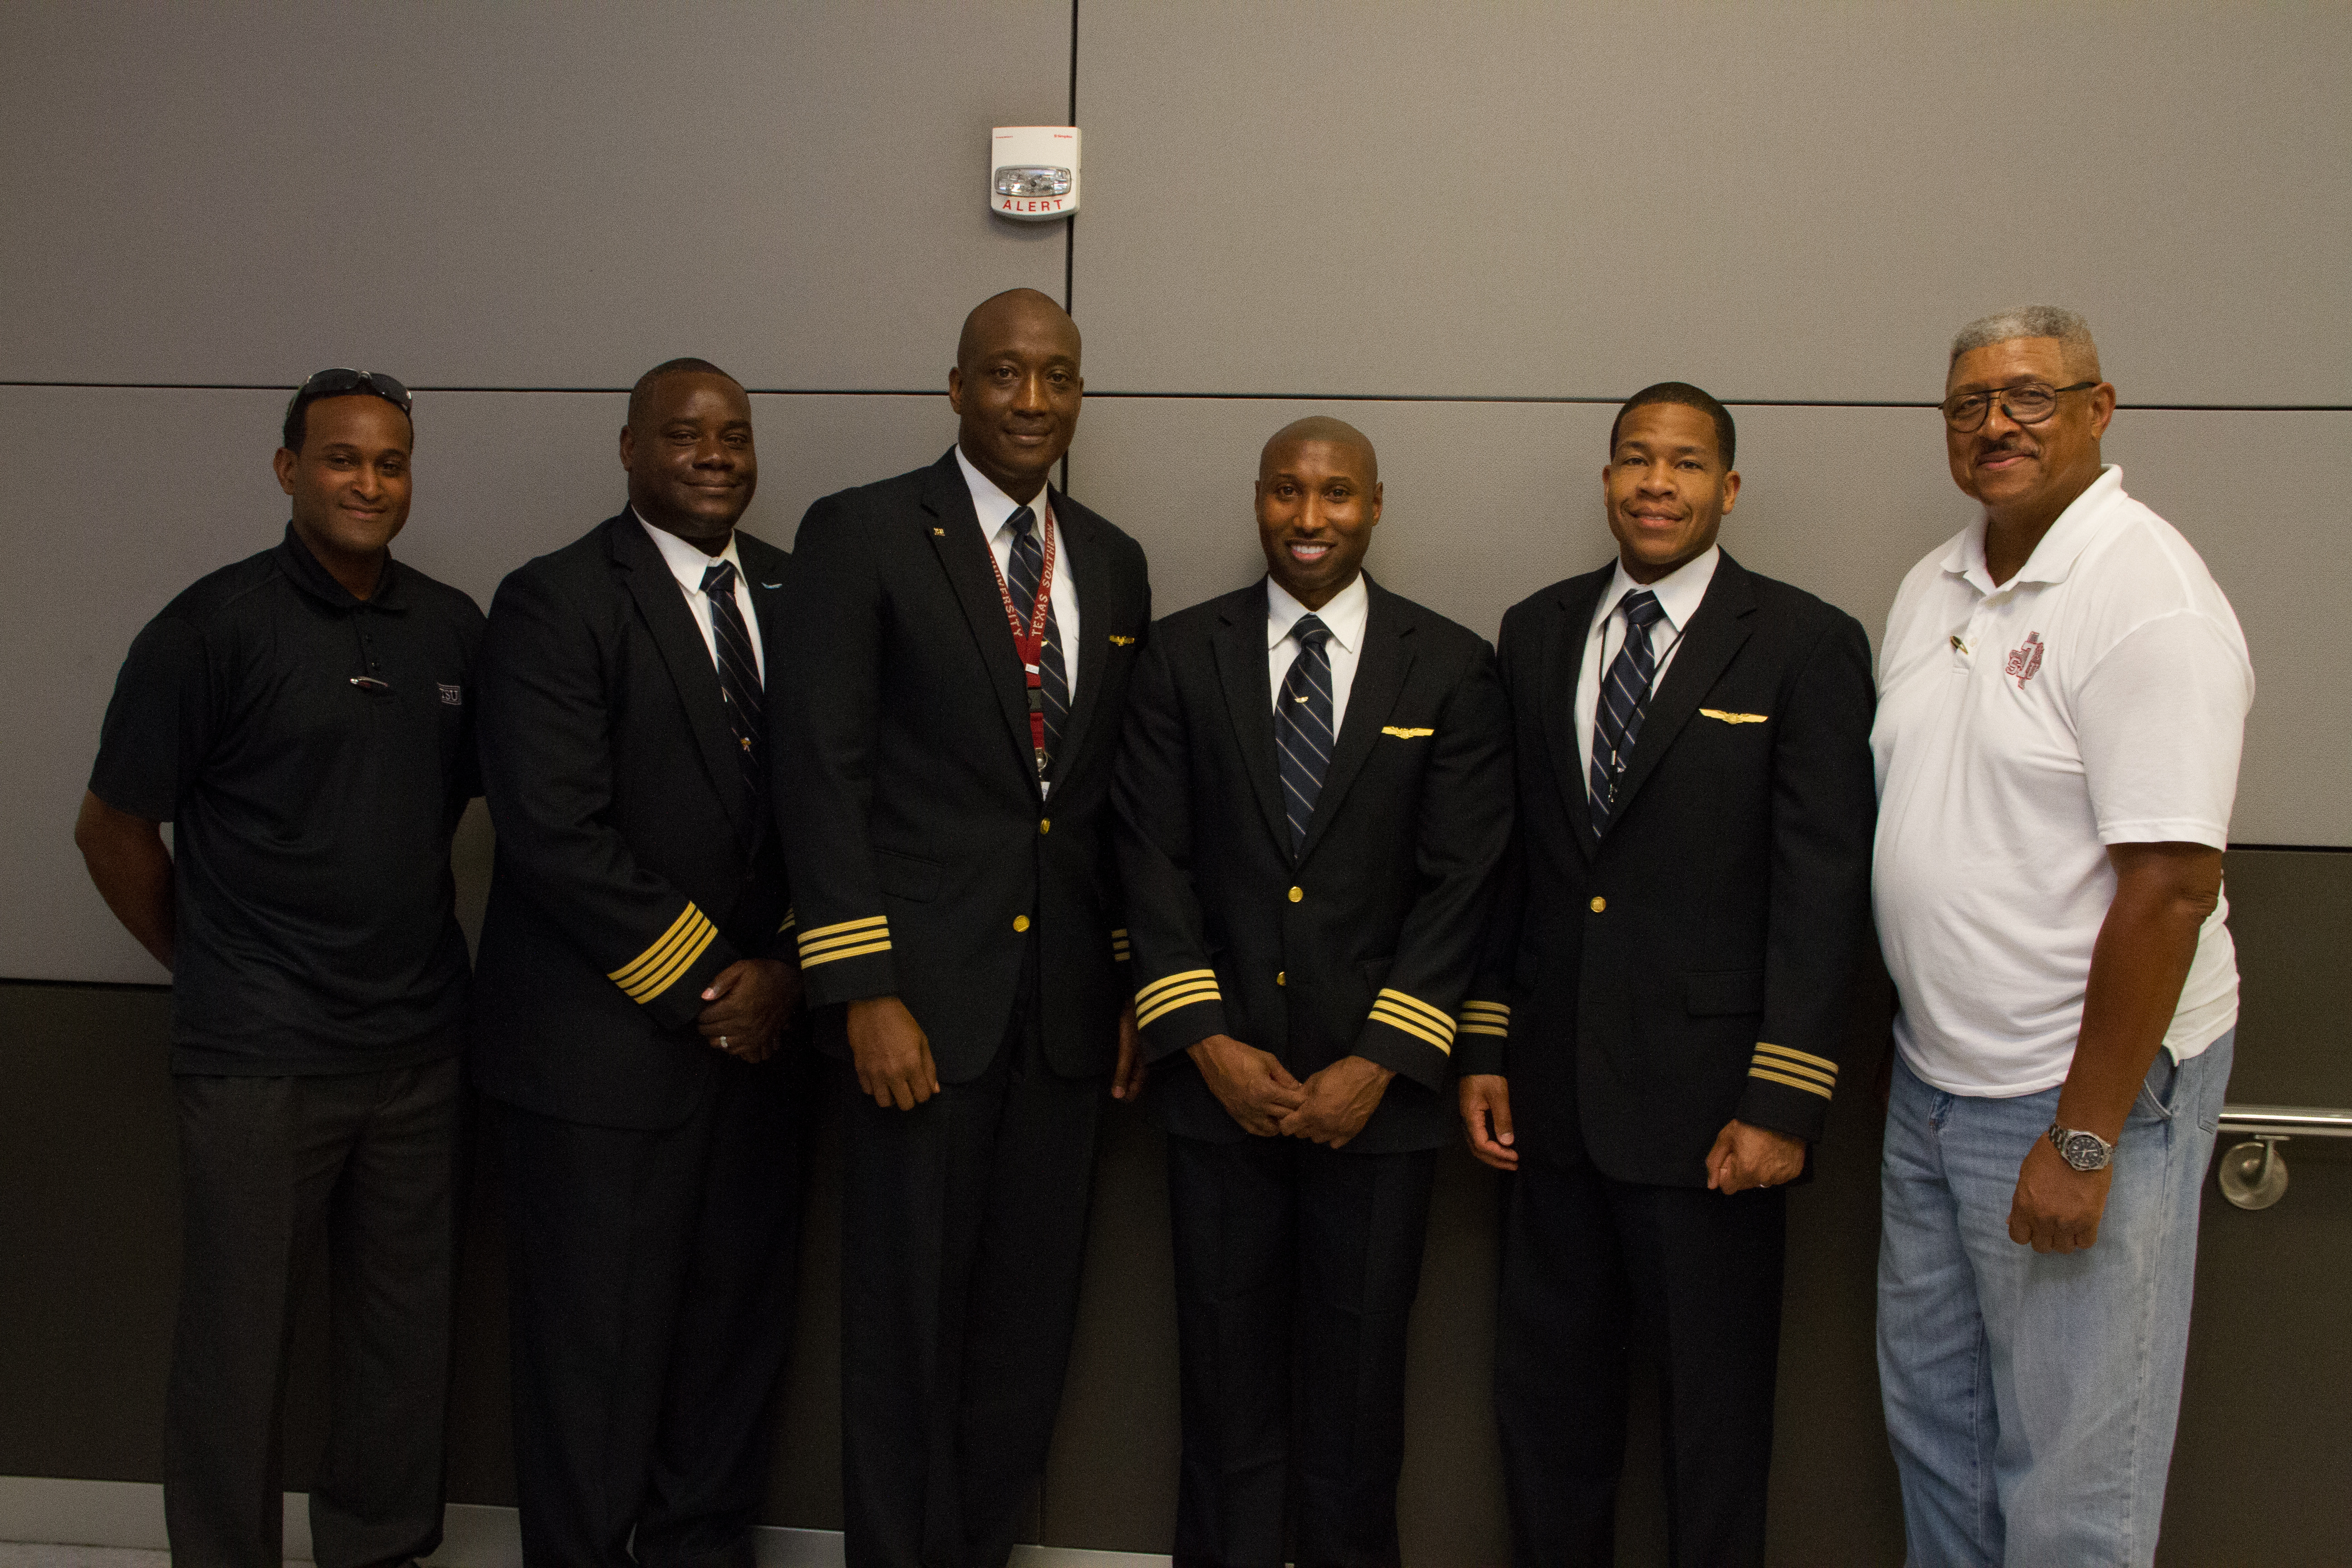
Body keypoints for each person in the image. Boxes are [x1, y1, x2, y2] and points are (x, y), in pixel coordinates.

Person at [1457, 383, 1878, 1567]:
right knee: (1547, 1416)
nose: (1657, 482)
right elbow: (1520, 867)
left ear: (1727, 491)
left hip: (1715, 1121)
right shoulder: (1535, 631)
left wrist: (1783, 1100)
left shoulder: (1804, 642)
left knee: (1714, 1426)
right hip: (1554, 1110)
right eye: (1636, 459)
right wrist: (1487, 1047)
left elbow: (1822, 887)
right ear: (1606, 480)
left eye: (1686, 464)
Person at [74, 369, 481, 1568]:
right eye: (344, 459)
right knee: (237, 1347)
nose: (370, 483)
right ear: (288, 469)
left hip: (418, 1050)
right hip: (258, 1059)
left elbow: (452, 808)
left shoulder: (454, 628)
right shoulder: (209, 629)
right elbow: (111, 830)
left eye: (392, 461)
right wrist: (220, 968)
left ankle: (377, 1546)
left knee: (402, 1340)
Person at [774, 288, 1152, 1568]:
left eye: (1056, 377)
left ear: (1081, 394)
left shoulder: (1111, 562)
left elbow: (1101, 811)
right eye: (1004, 375)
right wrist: (862, 989)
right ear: (955, 387)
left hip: (1058, 1026)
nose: (1031, 401)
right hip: (916, 1015)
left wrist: (1123, 995)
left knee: (1021, 1335)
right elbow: (819, 775)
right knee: (903, 1333)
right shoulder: (864, 533)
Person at [1872, 307, 2253, 1567]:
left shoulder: (2146, 596)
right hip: (1933, 1086)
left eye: (2032, 398)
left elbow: (2172, 890)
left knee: (2073, 1502)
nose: (1996, 425)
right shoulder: (1934, 586)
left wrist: (2083, 1137)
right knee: (1943, 1453)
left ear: (2100, 409)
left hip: (2073, 1099)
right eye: (1970, 403)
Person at [1113, 417, 1512, 1568]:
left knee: (1355, 1408)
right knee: (1222, 1398)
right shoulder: (1182, 656)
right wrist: (1207, 1043)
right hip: (1217, 1093)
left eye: (1336, 494)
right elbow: (1150, 858)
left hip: (1377, 1110)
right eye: (1287, 492)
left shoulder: (1449, 665)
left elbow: (1464, 882)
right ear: (1257, 501)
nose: (1309, 517)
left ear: (1377, 506)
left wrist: (1376, 1066)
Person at [471, 358, 810, 1568]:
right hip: (600, 1072)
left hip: (765, 1060)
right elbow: (554, 830)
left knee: (731, 1349)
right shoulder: (555, 601)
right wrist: (718, 985)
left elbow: (838, 809)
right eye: (683, 435)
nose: (714, 454)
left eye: (734, 434)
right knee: (591, 1366)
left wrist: (787, 974)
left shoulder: (796, 587)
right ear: (628, 450)